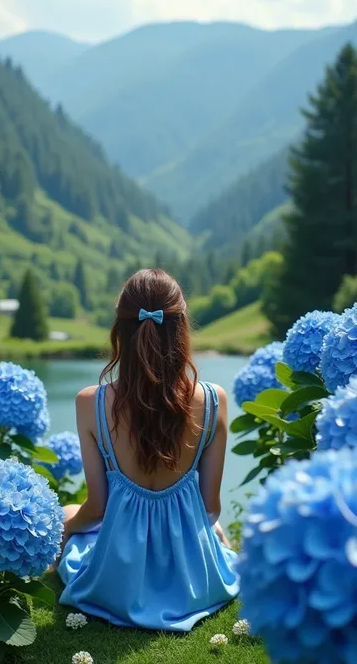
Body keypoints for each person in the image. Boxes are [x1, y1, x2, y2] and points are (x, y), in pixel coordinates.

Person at [59, 269, 239, 630]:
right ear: (182, 329)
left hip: (119, 585)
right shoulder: (213, 400)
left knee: (67, 511)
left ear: (120, 330)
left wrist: (67, 531)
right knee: (219, 533)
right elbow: (210, 508)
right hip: (193, 583)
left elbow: (97, 508)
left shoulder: (90, 404)